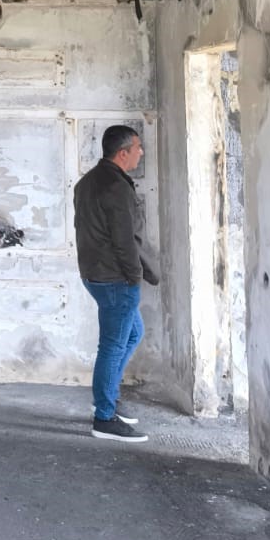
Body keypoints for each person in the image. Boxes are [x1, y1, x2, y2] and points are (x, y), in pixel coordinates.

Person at [73, 124, 159, 443]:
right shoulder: (116, 187)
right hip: (115, 279)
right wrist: (134, 278)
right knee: (112, 345)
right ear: (123, 153)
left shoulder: (87, 182)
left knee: (133, 334)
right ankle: (104, 417)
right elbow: (124, 241)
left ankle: (107, 397)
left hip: (95, 274)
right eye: (137, 147)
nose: (141, 152)